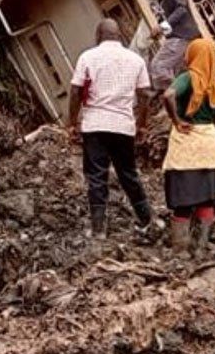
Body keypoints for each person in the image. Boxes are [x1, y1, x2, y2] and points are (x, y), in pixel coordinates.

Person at [66, 18, 155, 240]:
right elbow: (144, 95)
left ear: (99, 36)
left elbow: (75, 91)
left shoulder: (88, 57)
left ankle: (99, 229)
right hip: (123, 126)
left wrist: (71, 123)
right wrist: (142, 125)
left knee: (96, 176)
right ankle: (146, 218)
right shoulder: (135, 60)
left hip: (95, 124)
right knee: (128, 173)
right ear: (119, 36)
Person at [160, 38, 215, 257]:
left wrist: (177, 119)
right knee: (206, 198)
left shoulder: (188, 77)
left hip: (187, 143)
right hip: (210, 144)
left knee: (182, 200)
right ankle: (201, 247)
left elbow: (168, 94)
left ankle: (180, 250)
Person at [144, 0, 202, 92]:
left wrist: (162, 26)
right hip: (180, 35)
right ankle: (179, 97)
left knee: (158, 66)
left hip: (182, 36)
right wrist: (162, 30)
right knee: (174, 70)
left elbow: (181, 8)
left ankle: (177, 96)